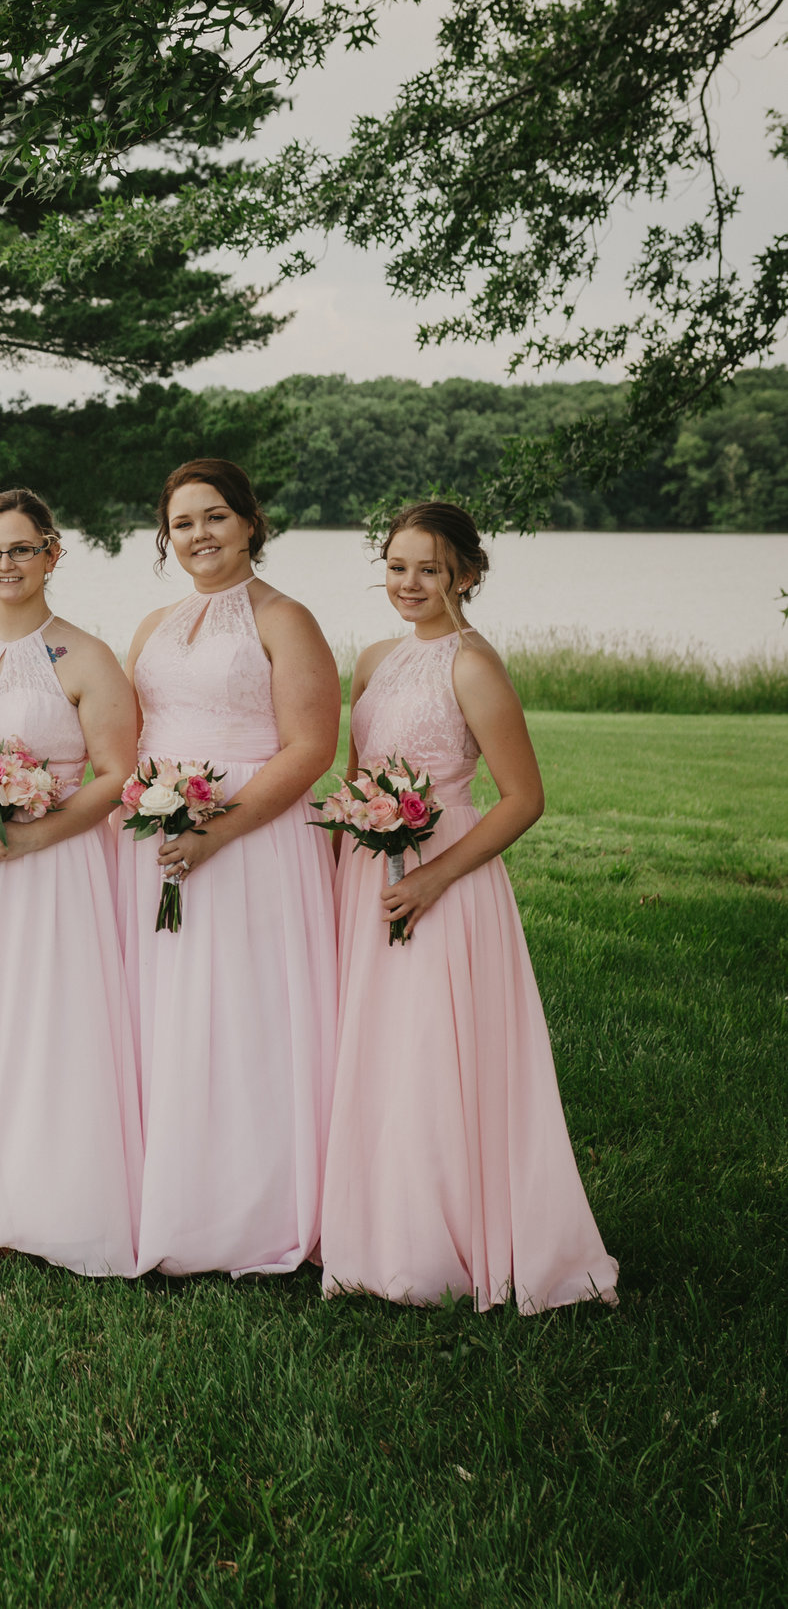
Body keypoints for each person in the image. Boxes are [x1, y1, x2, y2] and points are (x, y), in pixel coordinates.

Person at [320, 503, 618, 1312]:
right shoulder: (373, 659)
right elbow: (357, 773)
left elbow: (523, 798)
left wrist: (432, 878)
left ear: (468, 574)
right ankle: (374, 1228)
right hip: (368, 868)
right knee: (375, 1046)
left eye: (429, 568)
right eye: (396, 566)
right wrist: (338, 846)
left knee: (430, 1048)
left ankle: (445, 1241)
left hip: (445, 873)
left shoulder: (474, 665)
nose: (409, 583)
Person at [118, 458, 341, 1277]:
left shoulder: (285, 619)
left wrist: (220, 828)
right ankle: (172, 1197)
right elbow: (131, 734)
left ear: (250, 521)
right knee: (167, 1011)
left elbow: (311, 748)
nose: (199, 534)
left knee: (248, 1013)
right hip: (158, 832)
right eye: (182, 523)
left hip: (255, 837)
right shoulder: (153, 623)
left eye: (214, 516)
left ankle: (256, 1211)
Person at [0, 490, 142, 1277]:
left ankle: (46, 1197)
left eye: (22, 548)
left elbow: (116, 774)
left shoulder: (87, 656)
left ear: (53, 553)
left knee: (43, 1020)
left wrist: (31, 834)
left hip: (53, 864)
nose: (6, 564)